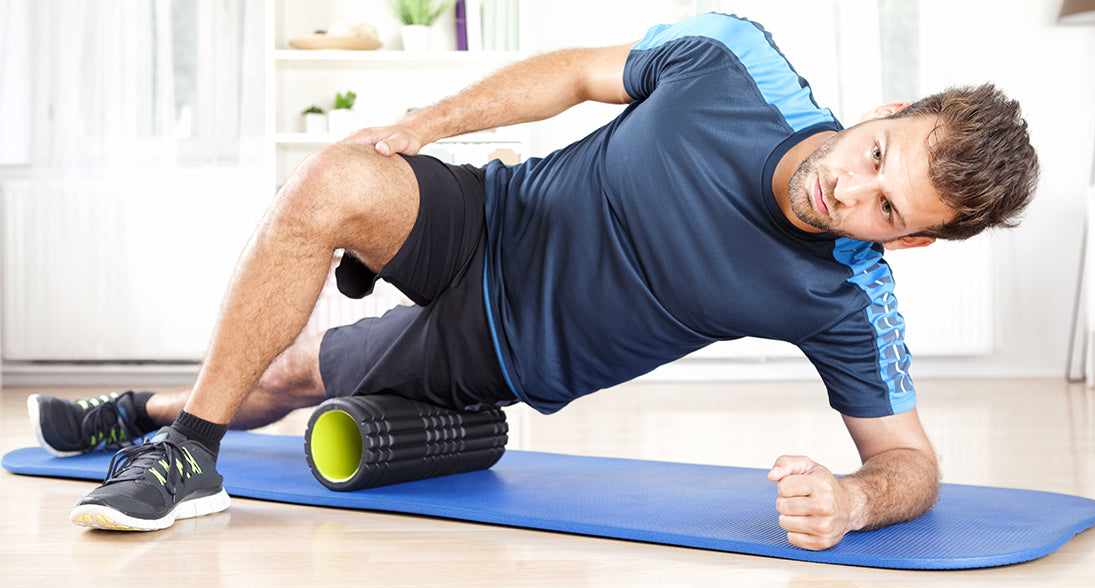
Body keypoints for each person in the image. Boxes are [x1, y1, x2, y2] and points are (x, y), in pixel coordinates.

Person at [30, 13, 1038, 550]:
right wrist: (424, 129)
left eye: (886, 210)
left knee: (302, 376)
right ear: (884, 109)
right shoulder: (736, 64)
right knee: (336, 177)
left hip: (503, 348)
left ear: (904, 244)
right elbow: (570, 72)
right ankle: (187, 458)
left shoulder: (845, 294)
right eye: (874, 155)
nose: (846, 192)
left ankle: (138, 412)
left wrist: (855, 503)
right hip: (490, 216)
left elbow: (910, 461)